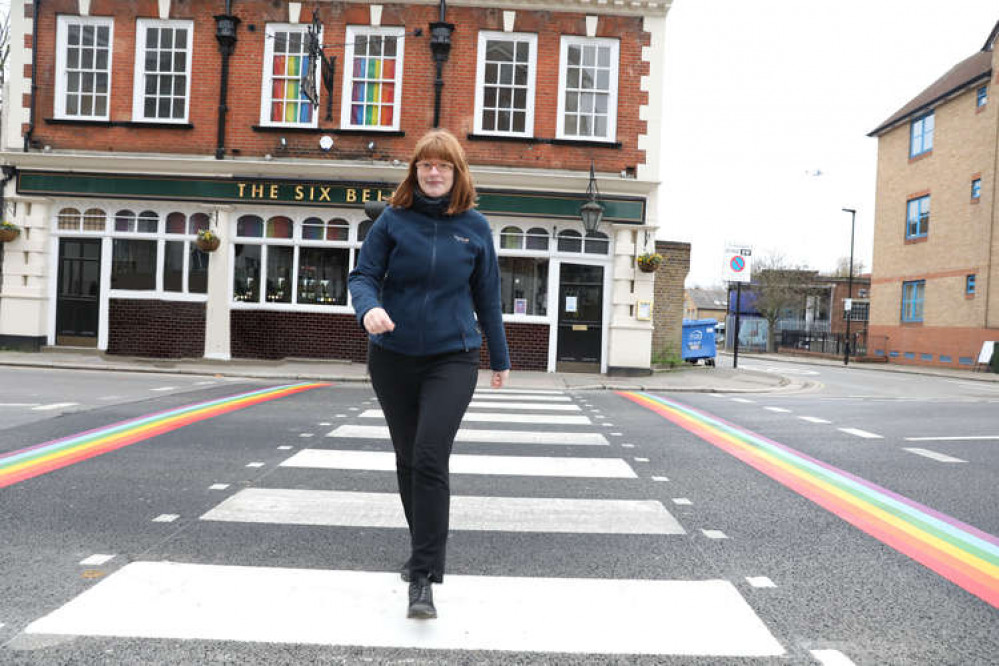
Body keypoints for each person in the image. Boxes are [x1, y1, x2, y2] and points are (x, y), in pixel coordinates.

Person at [348, 129, 511, 620]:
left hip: (452, 356)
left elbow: (488, 298)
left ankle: (423, 578)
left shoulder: (475, 228)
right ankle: (423, 550)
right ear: (415, 172)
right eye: (425, 165)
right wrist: (368, 310)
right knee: (406, 459)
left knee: (429, 455)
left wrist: (499, 358)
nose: (434, 173)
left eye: (443, 166)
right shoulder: (393, 222)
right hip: (392, 355)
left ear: (457, 173)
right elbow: (363, 276)